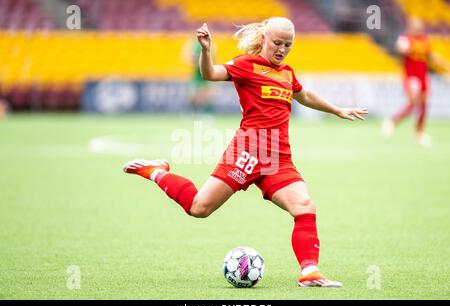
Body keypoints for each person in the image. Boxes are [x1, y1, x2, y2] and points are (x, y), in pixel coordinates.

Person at [123, 17, 367, 287]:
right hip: (246, 152)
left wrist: (337, 110)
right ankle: (156, 171)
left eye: (288, 44)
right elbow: (210, 75)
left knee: (304, 206)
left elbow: (304, 95)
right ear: (264, 39)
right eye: (277, 42)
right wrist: (205, 51)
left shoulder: (286, 72)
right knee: (199, 208)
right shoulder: (246, 65)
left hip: (278, 159)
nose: (282, 49)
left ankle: (309, 272)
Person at [382, 17, 448, 146]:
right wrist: (404, 47)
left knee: (424, 104)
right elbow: (400, 49)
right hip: (411, 76)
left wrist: (443, 63)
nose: (418, 28)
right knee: (413, 103)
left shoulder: (424, 39)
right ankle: (392, 122)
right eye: (416, 25)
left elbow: (429, 55)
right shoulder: (405, 38)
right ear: (410, 26)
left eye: (419, 26)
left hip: (423, 75)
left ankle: (419, 133)